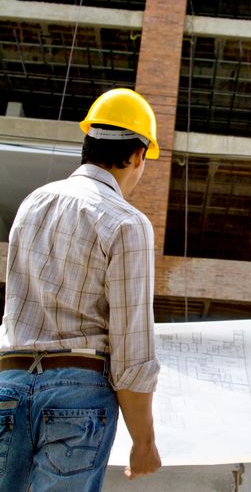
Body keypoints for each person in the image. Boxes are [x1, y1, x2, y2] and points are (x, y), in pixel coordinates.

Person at [0, 87, 162, 491]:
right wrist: (144, 440)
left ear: (87, 143)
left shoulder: (32, 203)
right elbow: (132, 350)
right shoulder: (127, 222)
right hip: (78, 392)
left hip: (9, 383)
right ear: (138, 155)